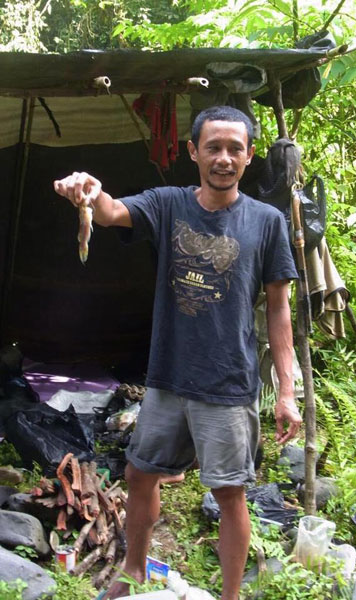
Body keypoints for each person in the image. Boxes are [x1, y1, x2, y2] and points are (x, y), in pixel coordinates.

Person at [54, 106, 302, 600]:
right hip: (167, 378)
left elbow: (278, 311)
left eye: (235, 148)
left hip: (228, 385)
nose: (224, 158)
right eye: (214, 147)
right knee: (139, 474)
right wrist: (87, 189)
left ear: (250, 155)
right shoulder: (168, 205)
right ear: (193, 152)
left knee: (229, 494)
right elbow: (110, 212)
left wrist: (286, 392)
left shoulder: (267, 222)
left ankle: (230, 596)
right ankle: (135, 572)